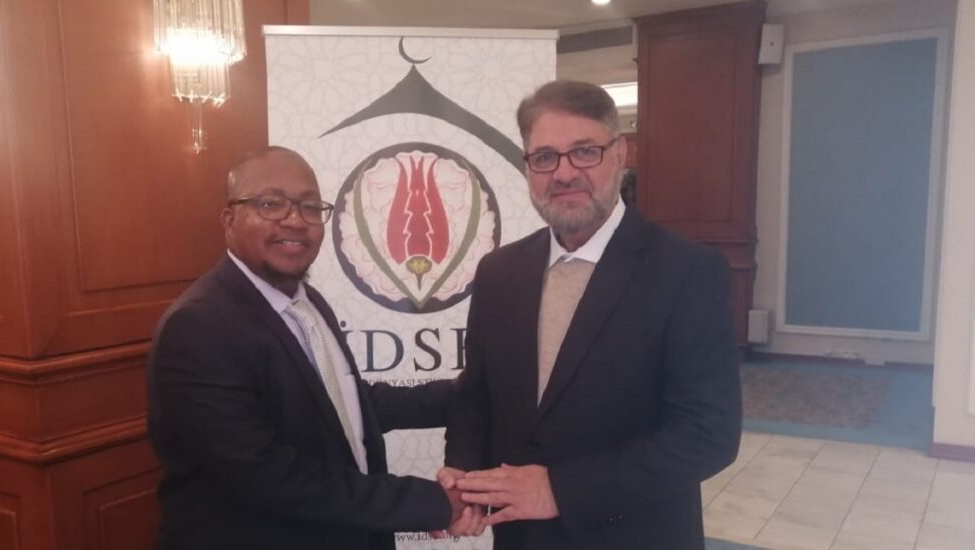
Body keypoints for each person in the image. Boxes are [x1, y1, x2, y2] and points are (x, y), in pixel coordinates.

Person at [443, 80, 742, 549]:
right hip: (521, 539)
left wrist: (561, 490)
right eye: (544, 157)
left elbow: (708, 435)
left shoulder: (687, 272)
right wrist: (465, 475)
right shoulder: (499, 271)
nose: (563, 173)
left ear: (619, 154)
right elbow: (476, 396)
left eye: (584, 151)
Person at [148, 146, 482, 549]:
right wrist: (428, 503)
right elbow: (267, 474)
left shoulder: (308, 302)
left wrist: (466, 392)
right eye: (270, 204)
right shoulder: (199, 327)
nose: (295, 220)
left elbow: (345, 407)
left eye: (309, 206)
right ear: (229, 219)